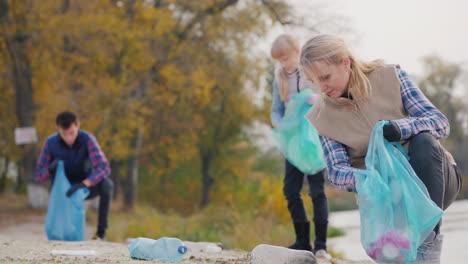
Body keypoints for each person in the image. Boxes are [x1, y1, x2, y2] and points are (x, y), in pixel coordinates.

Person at [299, 34, 462, 262]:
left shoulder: (390, 76)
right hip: (388, 199)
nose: (322, 87)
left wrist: (401, 128)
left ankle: (427, 249)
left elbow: (440, 122)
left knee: (424, 141)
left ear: (345, 63)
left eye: (325, 76)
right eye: (314, 81)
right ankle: (398, 251)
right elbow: (336, 171)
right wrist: (368, 179)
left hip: (435, 180)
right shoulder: (321, 116)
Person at [270, 34, 330, 259]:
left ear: (297, 52)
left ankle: (321, 244)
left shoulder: (310, 72)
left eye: (286, 58)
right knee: (290, 190)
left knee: (317, 190)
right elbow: (276, 108)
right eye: (280, 61)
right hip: (293, 141)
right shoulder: (279, 78)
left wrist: (315, 98)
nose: (284, 64)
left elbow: (324, 95)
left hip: (313, 139)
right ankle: (303, 240)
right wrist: (279, 124)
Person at [36, 111, 113, 240]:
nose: (68, 138)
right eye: (64, 134)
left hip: (84, 186)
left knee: (107, 185)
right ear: (58, 129)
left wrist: (85, 183)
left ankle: (101, 232)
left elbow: (104, 167)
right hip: (63, 191)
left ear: (77, 125)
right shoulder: (50, 143)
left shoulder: (88, 139)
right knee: (60, 233)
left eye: (71, 133)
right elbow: (39, 175)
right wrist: (49, 170)